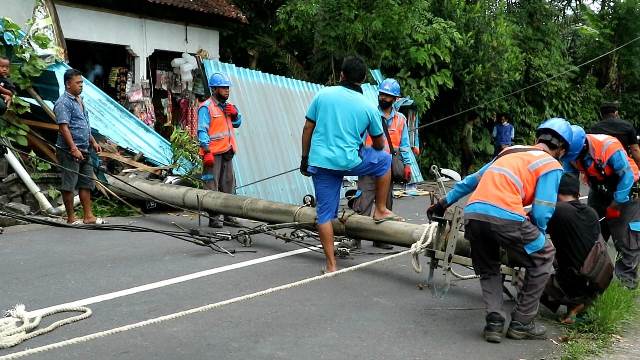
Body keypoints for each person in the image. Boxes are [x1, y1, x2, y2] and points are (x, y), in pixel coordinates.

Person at [428, 118, 574, 343]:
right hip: (507, 218)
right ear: (562, 150)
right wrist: (538, 235)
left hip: (474, 214)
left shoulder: (509, 151)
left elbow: (471, 181)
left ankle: (494, 322)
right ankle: (522, 323)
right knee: (544, 256)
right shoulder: (551, 164)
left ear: (537, 139)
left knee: (488, 267)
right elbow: (543, 211)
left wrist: (442, 203)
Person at [300, 55, 401, 273]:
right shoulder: (367, 107)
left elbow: (308, 128)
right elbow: (379, 142)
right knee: (384, 160)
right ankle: (381, 209)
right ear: (363, 79)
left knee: (325, 215)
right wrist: (371, 147)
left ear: (341, 75)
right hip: (350, 161)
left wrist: (305, 158)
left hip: (321, 162)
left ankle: (330, 265)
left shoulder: (323, 94)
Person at [567, 128, 640, 289]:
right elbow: (568, 178)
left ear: (584, 146)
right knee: (591, 235)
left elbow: (626, 176)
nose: (572, 159)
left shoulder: (609, 147)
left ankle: (625, 287)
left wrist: (617, 203)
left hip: (626, 191)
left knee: (626, 240)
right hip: (599, 191)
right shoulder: (569, 151)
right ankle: (591, 284)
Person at [541, 172, 611, 324]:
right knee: (575, 255)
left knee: (529, 279)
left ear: (555, 192)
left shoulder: (556, 210)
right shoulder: (591, 213)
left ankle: (574, 302)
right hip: (597, 279)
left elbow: (531, 223)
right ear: (578, 194)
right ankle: (582, 305)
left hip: (572, 280)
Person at [350, 78, 412, 250]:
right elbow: (359, 139)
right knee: (363, 200)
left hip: (388, 168)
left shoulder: (401, 120)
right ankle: (356, 237)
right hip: (369, 163)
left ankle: (380, 238)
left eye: (387, 96)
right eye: (381, 94)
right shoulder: (370, 114)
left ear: (395, 99)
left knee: (385, 202)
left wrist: (407, 165)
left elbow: (404, 145)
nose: (383, 98)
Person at [54, 68, 104, 224]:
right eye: (78, 83)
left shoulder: (80, 100)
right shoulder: (63, 103)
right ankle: (71, 217)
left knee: (86, 183)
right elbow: (64, 127)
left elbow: (83, 124)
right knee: (69, 184)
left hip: (85, 149)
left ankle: (88, 216)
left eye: (82, 82)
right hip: (70, 151)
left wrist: (93, 142)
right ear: (68, 84)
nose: (81, 85)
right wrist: (73, 148)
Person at [197, 72, 243, 228]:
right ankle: (214, 218)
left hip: (227, 152)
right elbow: (202, 131)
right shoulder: (206, 108)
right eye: (223, 88)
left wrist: (236, 115)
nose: (227, 90)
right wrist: (206, 151)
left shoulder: (229, 107)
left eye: (228, 88)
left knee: (228, 185)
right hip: (213, 154)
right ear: (214, 89)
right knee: (211, 186)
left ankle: (229, 216)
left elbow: (237, 123)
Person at [589, 101, 640, 169]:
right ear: (616, 113)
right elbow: (635, 150)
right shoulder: (627, 126)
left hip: (602, 167)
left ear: (601, 114)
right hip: (623, 165)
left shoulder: (594, 128)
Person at [461, 112, 480, 176]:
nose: (477, 121)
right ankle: (464, 174)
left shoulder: (470, 126)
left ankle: (465, 174)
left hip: (469, 147)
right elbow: (463, 136)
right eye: (477, 119)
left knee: (468, 160)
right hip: (466, 147)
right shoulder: (467, 126)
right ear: (473, 119)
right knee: (467, 160)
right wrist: (465, 146)